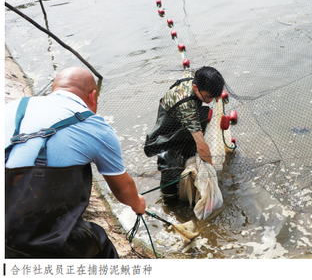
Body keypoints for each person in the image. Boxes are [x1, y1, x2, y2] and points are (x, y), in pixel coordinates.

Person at [5, 67, 146, 258]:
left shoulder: (13, 108)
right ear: (93, 96)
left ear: (55, 89)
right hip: (29, 238)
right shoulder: (95, 127)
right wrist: (137, 204)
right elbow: (123, 190)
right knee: (101, 247)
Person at [144, 66, 225, 204]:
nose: (211, 100)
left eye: (214, 97)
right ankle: (169, 200)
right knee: (170, 164)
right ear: (195, 87)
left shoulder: (198, 77)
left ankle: (188, 171)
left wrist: (215, 96)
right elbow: (201, 143)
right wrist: (211, 171)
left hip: (183, 119)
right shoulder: (187, 106)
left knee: (189, 154)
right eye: (207, 97)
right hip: (168, 129)